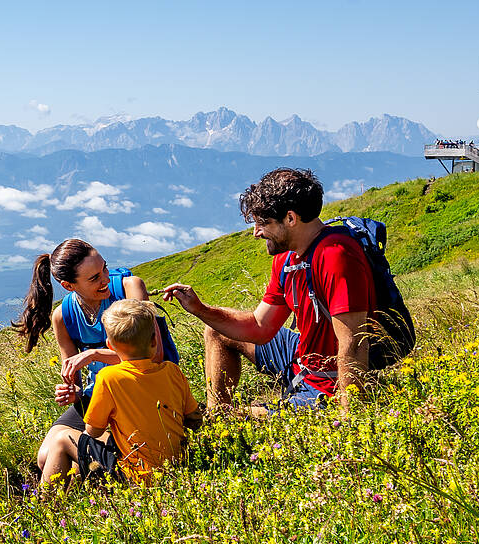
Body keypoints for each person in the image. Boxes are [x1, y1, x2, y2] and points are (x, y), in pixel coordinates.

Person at [160, 168, 379, 416]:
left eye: (263, 223)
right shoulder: (287, 258)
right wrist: (200, 310)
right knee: (216, 332)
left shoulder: (335, 256)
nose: (256, 232)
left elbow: (354, 342)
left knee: (246, 416)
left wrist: (350, 420)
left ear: (291, 218)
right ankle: (218, 415)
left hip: (328, 380)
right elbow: (259, 327)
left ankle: (224, 422)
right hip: (301, 357)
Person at [10, 237, 155, 490]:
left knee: (63, 449)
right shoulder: (63, 316)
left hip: (140, 390)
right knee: (44, 459)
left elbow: (151, 354)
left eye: (105, 268)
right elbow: (73, 375)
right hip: (97, 396)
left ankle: (84, 482)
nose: (106, 279)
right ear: (68, 285)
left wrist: (94, 354)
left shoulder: (131, 288)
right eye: (94, 278)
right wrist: (71, 392)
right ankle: (86, 473)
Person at [41, 299, 200, 489]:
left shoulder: (108, 378)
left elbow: (93, 431)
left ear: (109, 345)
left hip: (135, 474)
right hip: (178, 466)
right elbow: (194, 418)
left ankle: (47, 506)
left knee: (61, 439)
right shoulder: (173, 371)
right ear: (154, 340)